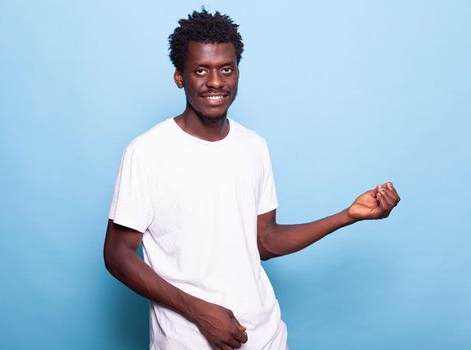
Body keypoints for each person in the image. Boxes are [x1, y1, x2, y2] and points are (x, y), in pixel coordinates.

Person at [103, 9, 400, 350]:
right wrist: (199, 312)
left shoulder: (253, 146)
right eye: (201, 70)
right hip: (188, 340)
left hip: (266, 336)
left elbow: (264, 240)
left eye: (226, 69)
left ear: (237, 72)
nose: (215, 82)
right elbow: (118, 254)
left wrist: (347, 216)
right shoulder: (147, 152)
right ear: (180, 77)